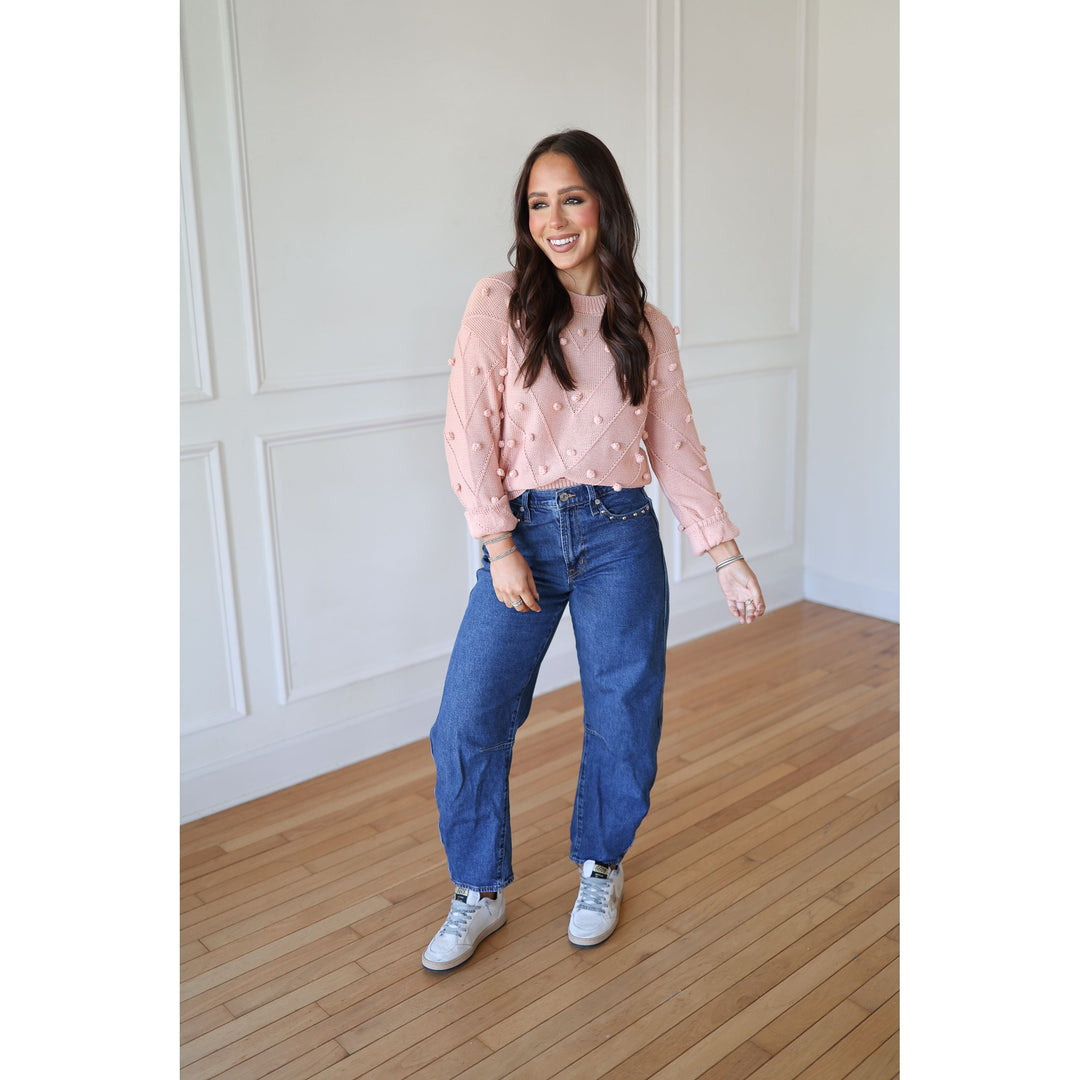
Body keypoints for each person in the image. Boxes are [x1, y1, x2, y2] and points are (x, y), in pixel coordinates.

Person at [422, 130, 765, 972]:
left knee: (623, 713)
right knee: (467, 720)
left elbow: (677, 450)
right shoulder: (499, 301)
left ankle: (601, 865)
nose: (554, 218)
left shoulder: (643, 325)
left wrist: (723, 553)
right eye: (538, 203)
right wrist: (500, 544)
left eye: (570, 197)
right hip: (526, 537)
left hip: (620, 534)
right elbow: (468, 435)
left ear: (604, 203)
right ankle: (479, 890)